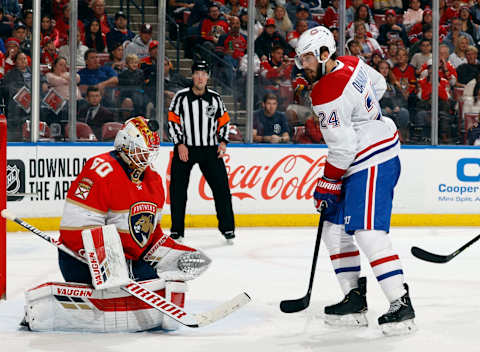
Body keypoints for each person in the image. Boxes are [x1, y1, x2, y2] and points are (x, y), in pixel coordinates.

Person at [294, 26, 415, 333]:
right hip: (363, 154)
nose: (302, 65)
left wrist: (327, 183)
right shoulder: (350, 62)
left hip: (372, 158)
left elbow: (342, 146)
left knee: (367, 232)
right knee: (334, 227)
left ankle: (401, 304)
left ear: (324, 54)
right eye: (300, 58)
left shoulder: (325, 91)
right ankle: (353, 298)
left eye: (308, 58)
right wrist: (363, 114)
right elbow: (380, 84)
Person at [58, 116, 208, 285]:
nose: (145, 158)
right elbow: (76, 231)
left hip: (127, 261)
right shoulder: (100, 170)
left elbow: (150, 234)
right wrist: (115, 265)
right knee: (154, 280)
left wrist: (169, 253)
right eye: (140, 151)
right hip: (81, 263)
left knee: (172, 280)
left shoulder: (153, 180)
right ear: (124, 144)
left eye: (149, 152)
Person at [167, 60, 235, 243]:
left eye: (204, 73)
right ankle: (177, 230)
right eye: (197, 73)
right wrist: (179, 143)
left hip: (210, 150)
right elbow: (172, 121)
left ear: (208, 77)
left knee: (221, 189)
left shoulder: (215, 98)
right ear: (192, 75)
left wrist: (223, 142)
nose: (200, 77)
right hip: (185, 149)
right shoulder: (181, 97)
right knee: (178, 190)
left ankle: (228, 228)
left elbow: (224, 121)